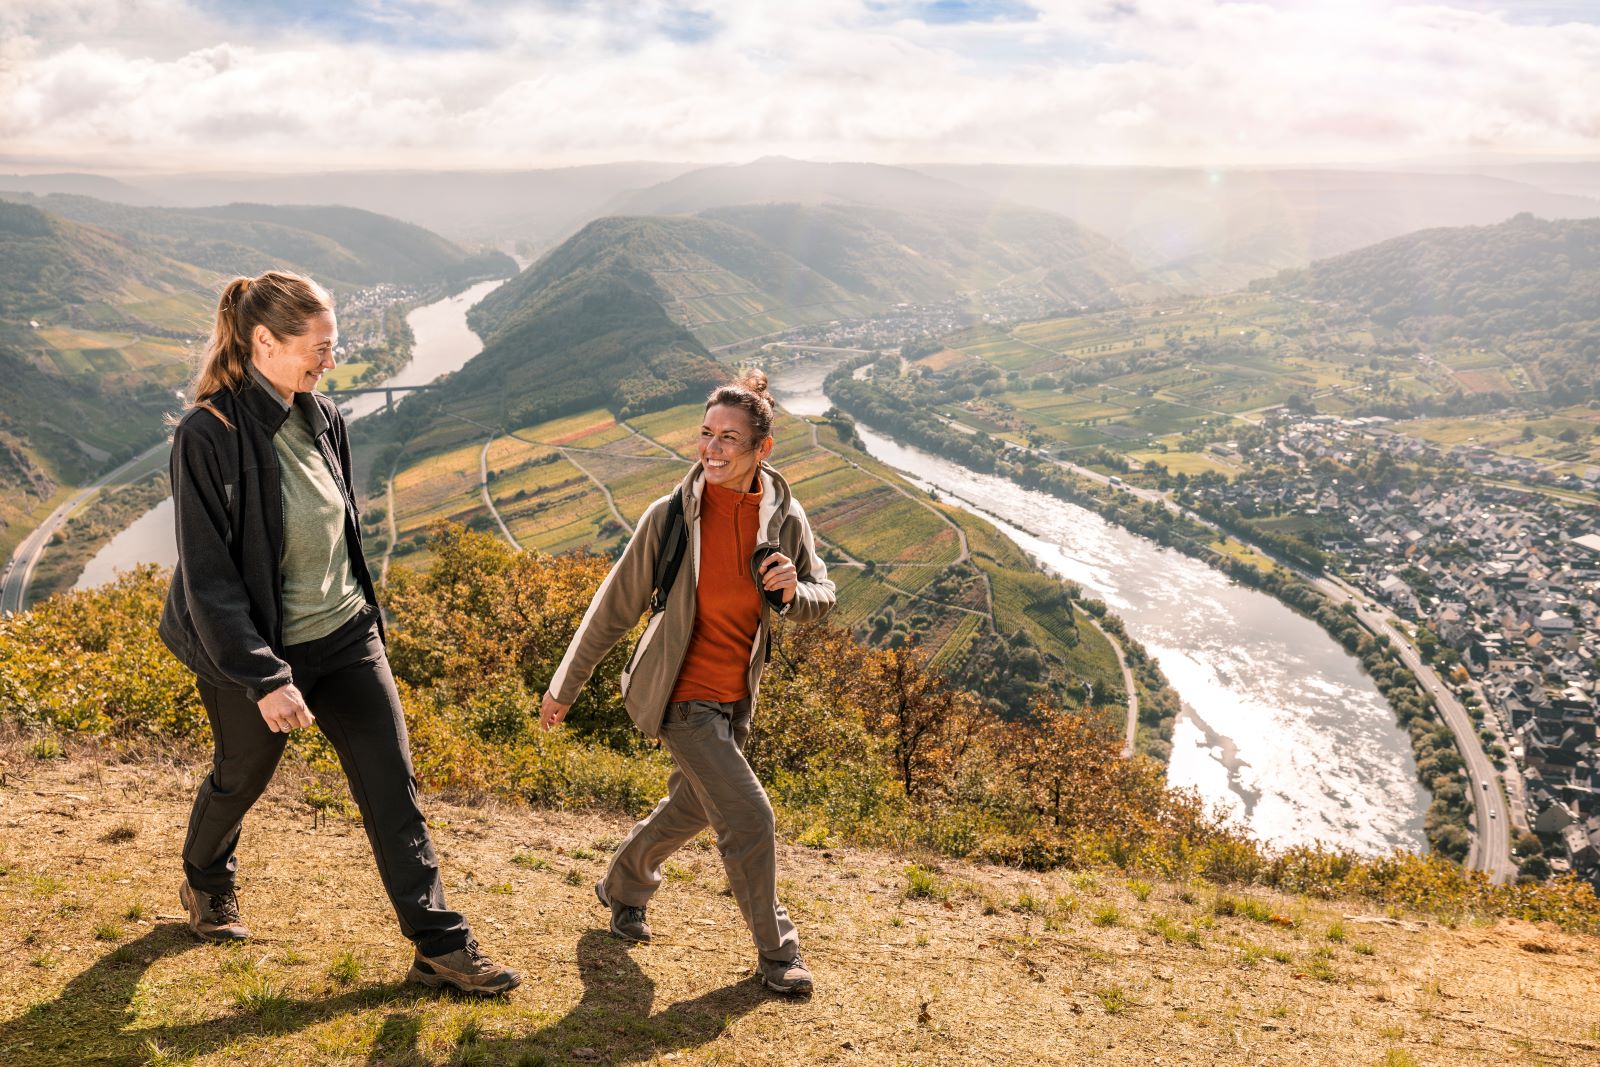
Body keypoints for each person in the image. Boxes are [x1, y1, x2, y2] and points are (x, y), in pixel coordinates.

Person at [158, 269, 518, 996]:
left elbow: (339, 533)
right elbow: (210, 579)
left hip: (347, 636)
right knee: (241, 778)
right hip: (254, 651)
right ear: (264, 341)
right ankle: (205, 876)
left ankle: (439, 943)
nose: (333, 358)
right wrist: (266, 675)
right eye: (319, 346)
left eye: (335, 343)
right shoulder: (208, 436)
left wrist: (368, 624)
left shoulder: (323, 417)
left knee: (395, 786)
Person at [540, 371, 836, 995]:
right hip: (678, 692)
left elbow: (821, 596)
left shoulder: (784, 516)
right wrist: (566, 683)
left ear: (763, 448)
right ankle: (778, 955)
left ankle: (622, 885)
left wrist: (793, 592)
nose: (713, 448)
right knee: (750, 817)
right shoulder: (670, 516)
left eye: (730, 437)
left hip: (737, 695)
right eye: (706, 434)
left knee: (696, 805)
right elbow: (614, 605)